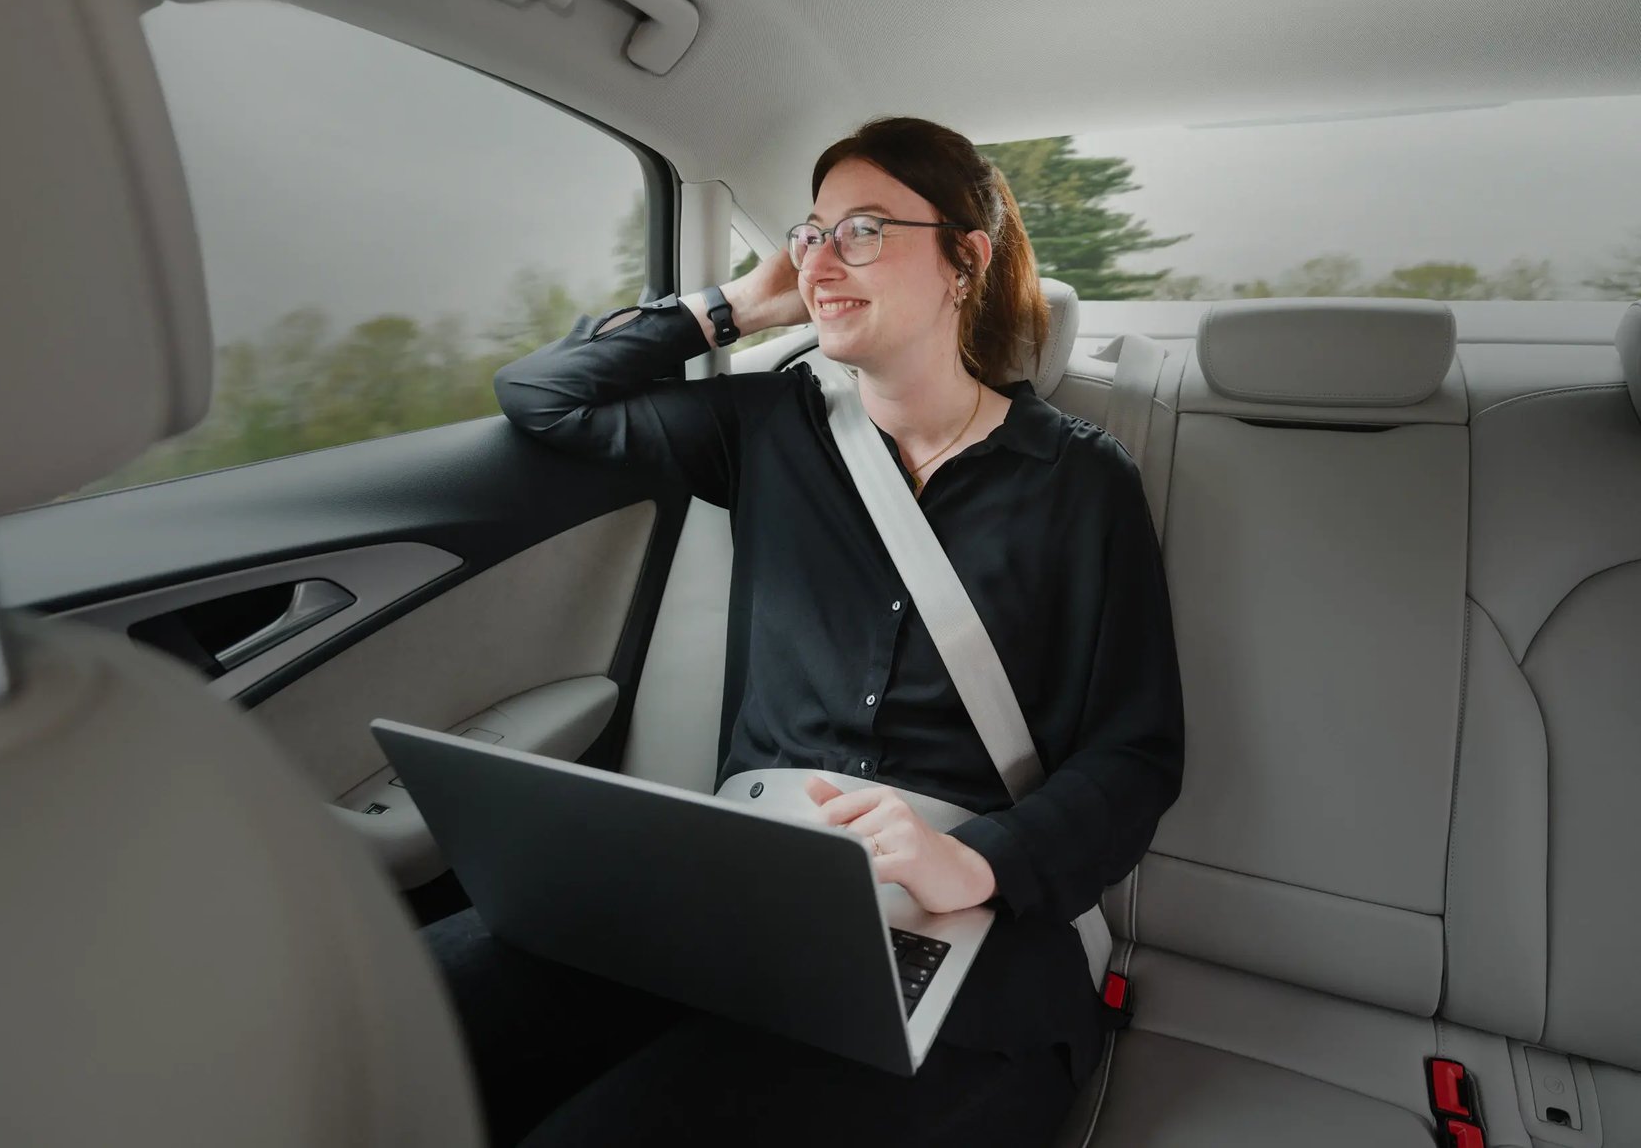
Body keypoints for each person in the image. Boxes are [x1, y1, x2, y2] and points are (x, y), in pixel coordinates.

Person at [427, 116, 1184, 1146]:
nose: (822, 259)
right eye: (812, 233)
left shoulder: (1080, 482)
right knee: (406, 1013)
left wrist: (979, 863)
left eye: (864, 230)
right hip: (739, 889)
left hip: (968, 933)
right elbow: (543, 398)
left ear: (965, 256)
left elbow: (1134, 753)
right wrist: (735, 303)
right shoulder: (767, 426)